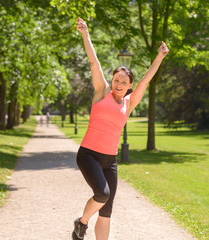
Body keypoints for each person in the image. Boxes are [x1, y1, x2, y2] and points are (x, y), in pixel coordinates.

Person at [73, 17, 169, 240]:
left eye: (123, 82)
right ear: (112, 79)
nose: (118, 84)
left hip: (110, 160)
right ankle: (82, 222)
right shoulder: (101, 91)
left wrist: (159, 57)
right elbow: (94, 63)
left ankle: (84, 225)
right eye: (116, 79)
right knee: (102, 194)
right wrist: (85, 33)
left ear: (129, 86)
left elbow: (145, 80)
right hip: (89, 154)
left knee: (106, 211)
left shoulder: (129, 103)